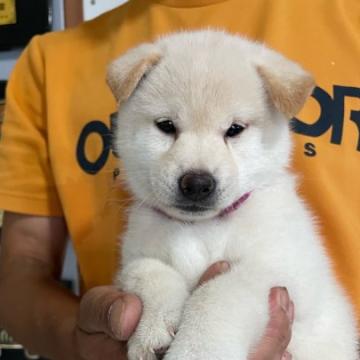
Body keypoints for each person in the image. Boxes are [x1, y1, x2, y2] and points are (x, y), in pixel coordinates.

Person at [0, 0, 358, 359]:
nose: (197, 174)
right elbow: (21, 269)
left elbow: (286, 285)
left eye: (233, 130)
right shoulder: (52, 60)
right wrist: (127, 313)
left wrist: (211, 328)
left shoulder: (274, 210)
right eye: (167, 127)